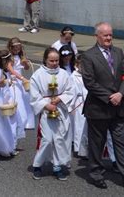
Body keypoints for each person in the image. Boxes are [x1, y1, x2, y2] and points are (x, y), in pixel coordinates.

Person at [81, 22, 124, 189]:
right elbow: (90, 82)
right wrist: (109, 97)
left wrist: (121, 94)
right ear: (97, 36)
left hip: (118, 107)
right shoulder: (88, 56)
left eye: (110, 35)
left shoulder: (118, 52)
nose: (109, 38)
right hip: (98, 108)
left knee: (121, 143)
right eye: (105, 35)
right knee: (97, 143)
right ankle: (96, 173)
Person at [29, 48, 74, 181]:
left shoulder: (64, 74)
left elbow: (71, 91)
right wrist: (46, 105)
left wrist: (60, 99)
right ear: (45, 60)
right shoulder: (38, 75)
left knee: (60, 139)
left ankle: (57, 166)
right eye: (51, 61)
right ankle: (37, 165)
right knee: (47, 140)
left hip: (60, 109)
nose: (54, 63)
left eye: (56, 60)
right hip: (46, 110)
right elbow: (34, 95)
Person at [6, 37, 35, 129]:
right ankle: (19, 121)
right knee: (17, 99)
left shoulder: (21, 56)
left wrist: (25, 63)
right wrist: (22, 78)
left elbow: (26, 68)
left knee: (26, 98)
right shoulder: (9, 57)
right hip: (13, 79)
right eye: (15, 48)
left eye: (19, 48)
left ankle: (27, 122)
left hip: (20, 80)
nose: (17, 50)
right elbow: (11, 70)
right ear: (11, 48)